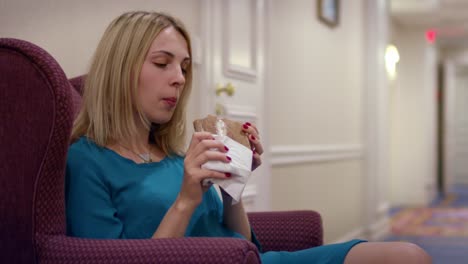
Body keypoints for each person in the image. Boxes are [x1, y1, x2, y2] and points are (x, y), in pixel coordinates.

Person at [66, 11, 431, 264]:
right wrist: (185, 200)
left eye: (184, 67)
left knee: (408, 256)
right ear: (120, 69)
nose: (178, 77)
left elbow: (243, 245)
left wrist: (233, 187)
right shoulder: (86, 162)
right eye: (163, 63)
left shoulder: (175, 156)